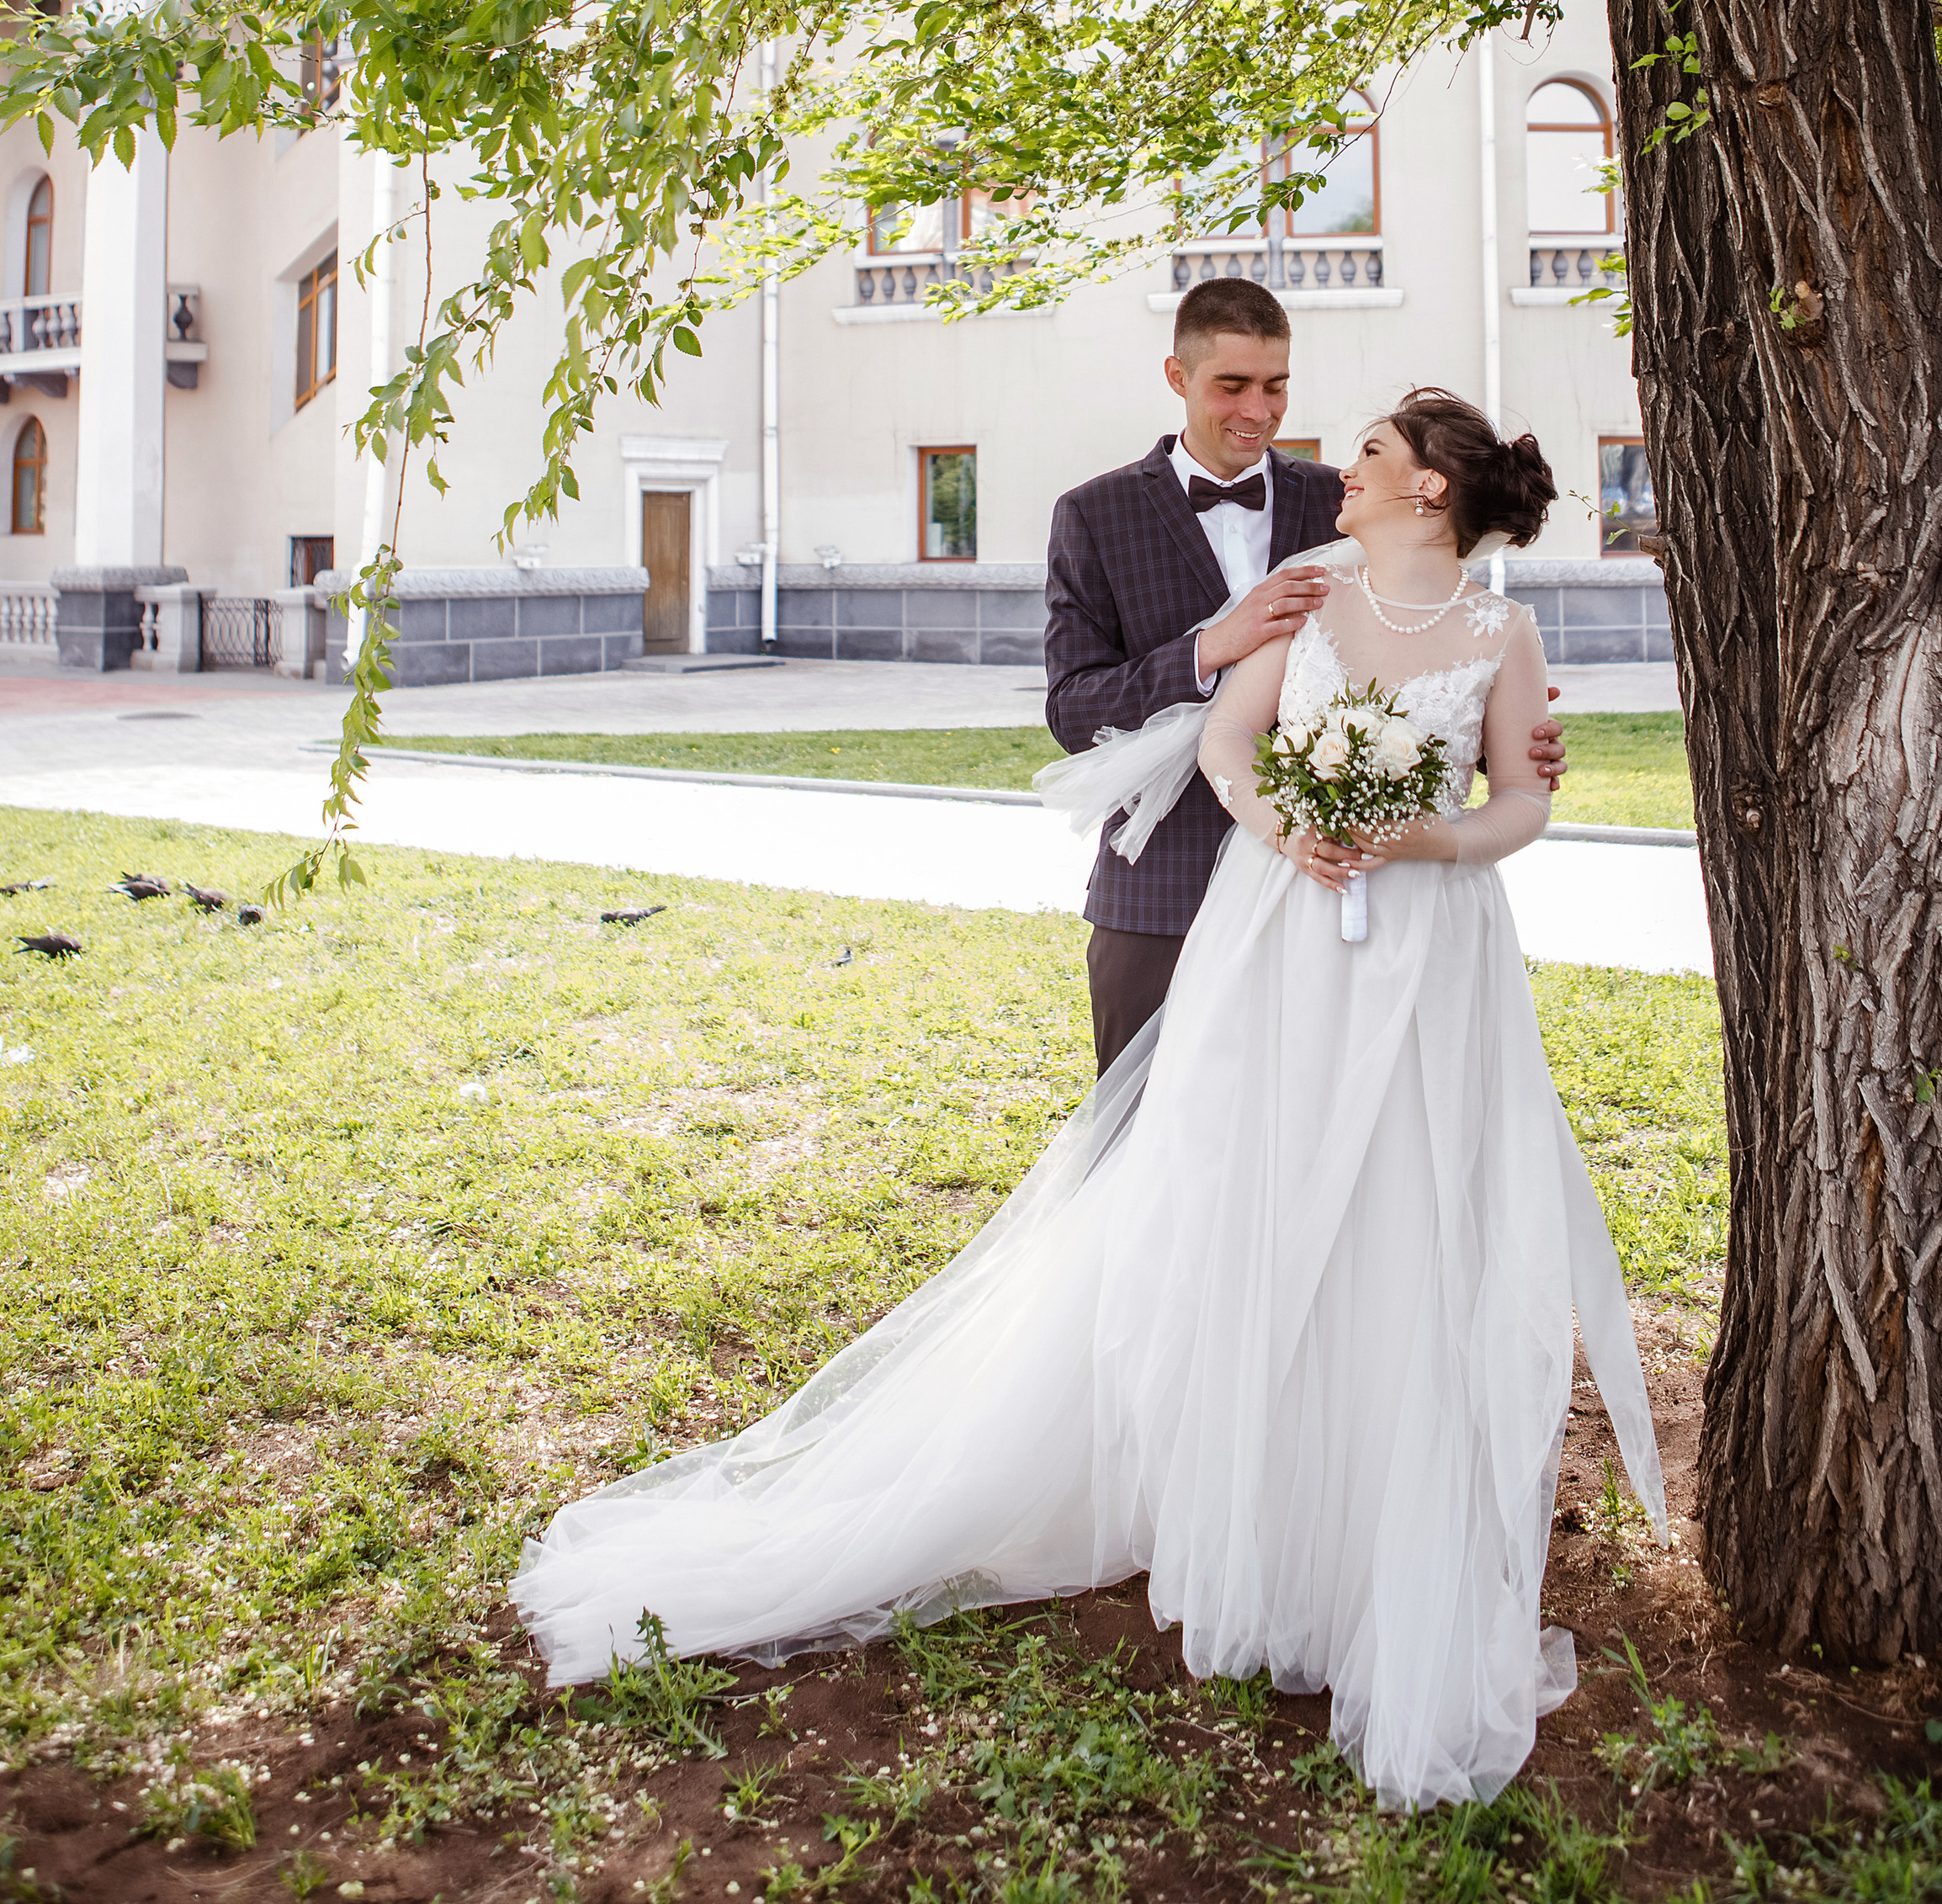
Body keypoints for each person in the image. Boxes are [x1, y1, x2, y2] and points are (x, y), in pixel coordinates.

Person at [513, 386, 1663, 1812]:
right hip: (1279, 937)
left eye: (1368, 450)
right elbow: (1227, 748)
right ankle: (1245, 1520)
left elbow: (1520, 806)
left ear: (1431, 489)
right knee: (1246, 1199)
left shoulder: (1502, 632)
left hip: (1431, 961)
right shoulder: (1309, 596)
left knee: (1407, 1216)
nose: (1336, 465)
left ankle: (1372, 1546)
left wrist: (1425, 836)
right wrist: (1285, 822)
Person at [1044, 274, 1567, 1070]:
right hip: (1161, 882)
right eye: (1232, 386)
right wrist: (1211, 647)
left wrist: (1493, 732)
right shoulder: (1094, 513)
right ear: (1177, 377)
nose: (1258, 411)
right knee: (1144, 1132)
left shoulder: (1346, 496)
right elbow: (1074, 709)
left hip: (1337, 893)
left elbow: (1419, 643)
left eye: (1276, 386)